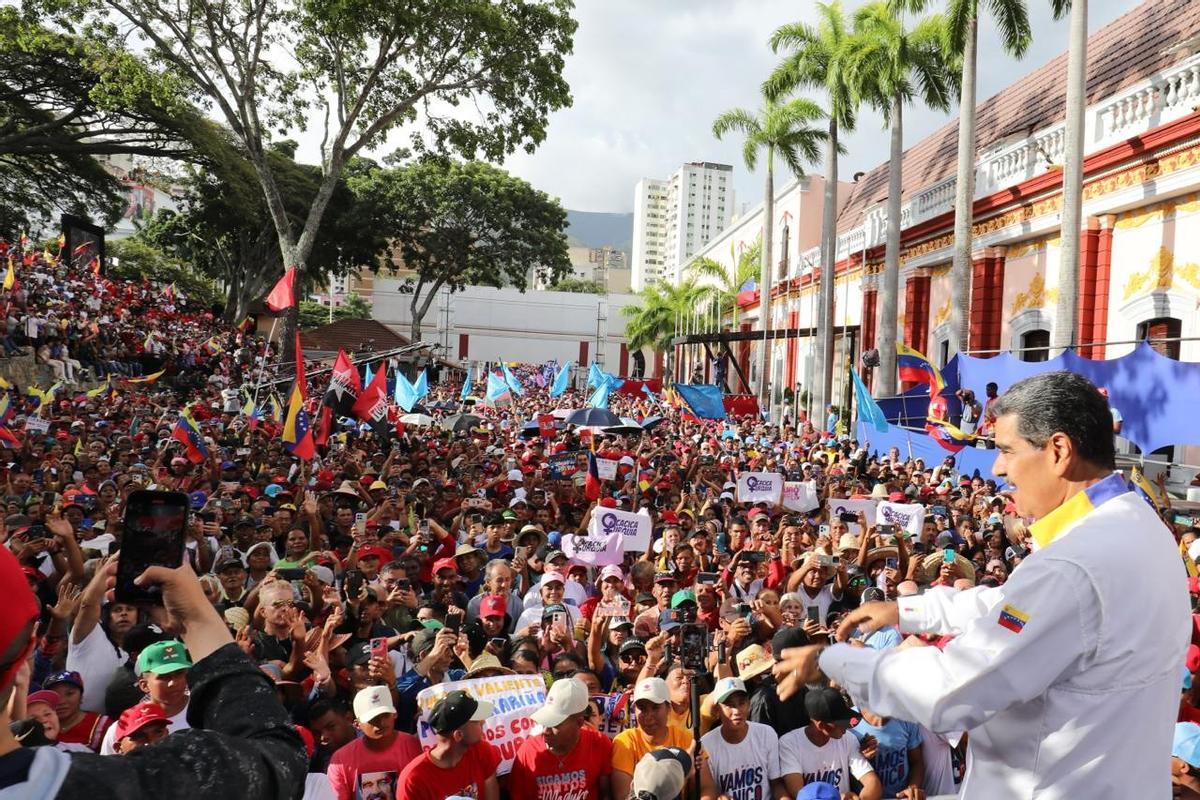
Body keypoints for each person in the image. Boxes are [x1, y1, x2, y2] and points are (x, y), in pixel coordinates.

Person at [774, 372, 1191, 798]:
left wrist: (835, 661)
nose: (998, 468)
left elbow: (951, 688)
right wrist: (909, 610)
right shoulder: (1142, 528)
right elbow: (1017, 605)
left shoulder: (1072, 566)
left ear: (1059, 450)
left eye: (1007, 450)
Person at [0, 550, 307, 798]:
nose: (173, 682)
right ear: (28, 651)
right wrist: (198, 620)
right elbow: (279, 761)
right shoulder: (108, 787)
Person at [610, 677, 718, 800]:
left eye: (655, 707)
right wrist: (684, 769)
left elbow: (707, 788)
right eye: (642, 708)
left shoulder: (686, 739)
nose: (649, 716)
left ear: (668, 709)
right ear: (634, 709)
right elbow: (622, 796)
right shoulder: (625, 742)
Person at [507, 676, 613, 800]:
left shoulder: (599, 744)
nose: (546, 731)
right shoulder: (527, 751)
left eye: (555, 724)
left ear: (579, 723)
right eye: (544, 721)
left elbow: (606, 794)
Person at [778, 687, 882, 800]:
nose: (846, 728)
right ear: (821, 725)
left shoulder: (848, 738)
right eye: (840, 723)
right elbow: (799, 794)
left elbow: (873, 783)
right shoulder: (789, 744)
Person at [395, 689, 500, 800]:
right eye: (476, 721)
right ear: (458, 735)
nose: (483, 721)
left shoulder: (482, 751)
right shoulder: (412, 780)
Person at [326, 685, 422, 800]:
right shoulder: (340, 760)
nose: (381, 723)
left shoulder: (416, 747)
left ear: (394, 714)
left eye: (385, 715)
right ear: (357, 724)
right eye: (372, 719)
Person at [98, 639, 192, 755]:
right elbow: (110, 770)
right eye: (164, 677)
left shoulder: (209, 709)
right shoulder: (123, 728)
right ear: (144, 685)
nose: (173, 683)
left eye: (179, 673)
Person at [699, 677, 786, 800]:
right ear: (717, 710)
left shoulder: (766, 733)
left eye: (741, 703)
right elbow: (708, 790)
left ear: (749, 705)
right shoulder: (706, 744)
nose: (737, 711)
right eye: (729, 705)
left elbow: (776, 783)